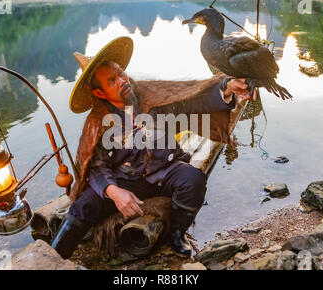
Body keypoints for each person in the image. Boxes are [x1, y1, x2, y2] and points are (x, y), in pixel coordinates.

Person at [51, 37, 257, 259]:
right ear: (100, 93)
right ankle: (53, 257)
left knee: (193, 180)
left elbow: (192, 99)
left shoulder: (151, 95)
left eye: (121, 73)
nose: (122, 80)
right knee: (84, 205)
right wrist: (114, 191)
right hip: (125, 179)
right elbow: (96, 167)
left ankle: (177, 233)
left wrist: (227, 88)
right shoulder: (97, 123)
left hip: (164, 169)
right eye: (112, 80)